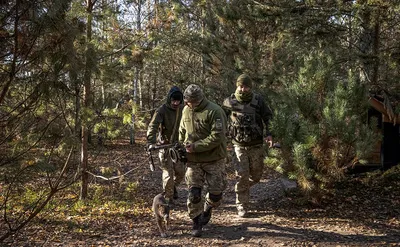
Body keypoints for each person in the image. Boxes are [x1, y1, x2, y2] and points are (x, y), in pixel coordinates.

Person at [179, 84, 227, 237]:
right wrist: (180, 145)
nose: (188, 104)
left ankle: (208, 207)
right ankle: (196, 222)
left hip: (214, 158)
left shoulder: (215, 111)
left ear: (198, 100)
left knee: (216, 193)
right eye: (186, 101)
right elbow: (182, 130)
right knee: (194, 193)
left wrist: (196, 146)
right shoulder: (186, 110)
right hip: (193, 160)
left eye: (190, 102)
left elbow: (217, 137)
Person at [222, 74, 273, 218]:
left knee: (256, 176)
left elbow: (268, 117)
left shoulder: (258, 101)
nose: (243, 89)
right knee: (242, 176)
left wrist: (269, 134)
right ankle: (241, 205)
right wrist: (221, 138)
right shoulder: (229, 102)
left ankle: (243, 188)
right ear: (236, 86)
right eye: (241, 86)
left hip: (256, 145)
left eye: (246, 86)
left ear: (250, 87)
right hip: (238, 145)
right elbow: (219, 118)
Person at [147, 86, 185, 205]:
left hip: (178, 147)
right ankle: (168, 199)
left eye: (178, 101)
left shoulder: (183, 110)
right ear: (169, 99)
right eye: (173, 100)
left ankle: (171, 189)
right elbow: (153, 126)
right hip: (164, 147)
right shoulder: (161, 110)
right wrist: (151, 141)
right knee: (168, 173)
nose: (175, 103)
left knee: (181, 172)